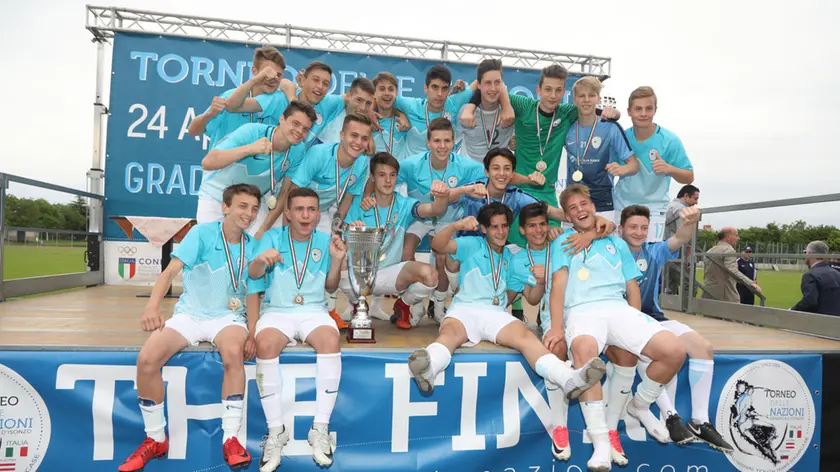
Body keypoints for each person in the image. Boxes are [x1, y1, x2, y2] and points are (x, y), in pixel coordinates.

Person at [118, 184, 263, 472]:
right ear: (225, 207)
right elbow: (170, 272)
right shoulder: (201, 234)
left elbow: (252, 294)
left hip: (227, 318)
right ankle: (156, 438)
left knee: (233, 355)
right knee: (147, 360)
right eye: (242, 206)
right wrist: (152, 307)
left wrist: (252, 331)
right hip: (191, 314)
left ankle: (231, 438)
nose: (248, 213)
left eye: (254, 208)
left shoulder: (253, 245)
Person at [408, 202, 606, 409]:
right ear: (483, 229)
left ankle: (567, 379)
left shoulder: (512, 257)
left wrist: (540, 281)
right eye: (494, 227)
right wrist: (456, 225)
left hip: (495, 313)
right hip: (464, 309)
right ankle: (429, 368)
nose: (501, 232)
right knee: (449, 336)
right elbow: (438, 246)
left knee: (526, 338)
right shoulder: (472, 244)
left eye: (504, 226)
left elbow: (529, 297)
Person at [548, 184, 688, 471]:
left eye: (583, 204)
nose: (580, 210)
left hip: (618, 309)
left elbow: (631, 286)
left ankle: (640, 405)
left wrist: (633, 326)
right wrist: (557, 327)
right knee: (585, 354)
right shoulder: (562, 241)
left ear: (592, 204)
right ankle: (600, 442)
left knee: (674, 351)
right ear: (567, 215)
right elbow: (559, 286)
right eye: (572, 208)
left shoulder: (615, 240)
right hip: (582, 311)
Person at [396, 118, 542, 321]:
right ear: (428, 143)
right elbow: (386, 175)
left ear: (454, 142)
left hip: (448, 218)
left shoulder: (466, 165)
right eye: (437, 141)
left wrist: (528, 180)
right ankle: (410, 301)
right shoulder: (410, 164)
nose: (442, 146)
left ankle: (439, 306)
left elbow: (499, 174)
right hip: (422, 215)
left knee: (442, 257)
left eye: (447, 141)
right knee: (405, 251)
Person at [460, 64, 619, 248]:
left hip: (547, 194)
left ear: (564, 92)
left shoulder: (567, 113)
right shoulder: (523, 105)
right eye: (548, 89)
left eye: (558, 90)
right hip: (517, 191)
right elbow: (492, 90)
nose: (553, 95)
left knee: (550, 246)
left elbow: (591, 110)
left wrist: (613, 112)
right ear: (538, 90)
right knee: (509, 247)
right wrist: (470, 107)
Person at [506, 202, 615, 462]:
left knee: (620, 353)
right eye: (532, 226)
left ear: (550, 225)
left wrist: (593, 231)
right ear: (522, 230)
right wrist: (540, 280)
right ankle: (560, 427)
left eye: (543, 224)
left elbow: (603, 225)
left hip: (587, 312)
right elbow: (531, 299)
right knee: (554, 350)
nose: (539, 230)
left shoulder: (563, 239)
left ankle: (610, 428)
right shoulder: (518, 259)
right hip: (552, 318)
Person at [619, 204, 734, 452]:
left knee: (704, 348)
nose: (638, 232)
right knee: (652, 351)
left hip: (654, 318)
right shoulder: (612, 253)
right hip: (626, 323)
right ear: (621, 229)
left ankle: (700, 421)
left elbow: (681, 237)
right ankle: (670, 415)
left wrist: (691, 220)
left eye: (643, 228)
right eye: (633, 227)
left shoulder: (653, 251)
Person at [247, 188, 347, 469]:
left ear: (318, 214)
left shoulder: (326, 241)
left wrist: (337, 261)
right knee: (265, 345)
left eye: (312, 210)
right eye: (299, 210)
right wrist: (258, 260)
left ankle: (320, 428)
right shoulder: (271, 238)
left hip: (313, 310)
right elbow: (253, 277)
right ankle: (276, 430)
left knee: (330, 339)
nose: (306, 215)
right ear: (288, 214)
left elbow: (330, 286)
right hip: (277, 311)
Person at [276, 112, 374, 328]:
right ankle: (274, 302)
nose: (358, 143)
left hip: (324, 211)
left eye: (364, 138)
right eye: (353, 136)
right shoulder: (319, 155)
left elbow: (348, 197)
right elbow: (292, 192)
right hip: (295, 207)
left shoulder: (362, 163)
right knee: (285, 254)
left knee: (330, 252)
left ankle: (326, 308)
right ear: (341, 135)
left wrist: (338, 228)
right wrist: (286, 232)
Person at [342, 152, 450, 325]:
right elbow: (344, 242)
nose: (388, 181)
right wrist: (353, 232)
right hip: (361, 275)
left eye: (392, 175)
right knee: (337, 262)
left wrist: (442, 197)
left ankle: (404, 304)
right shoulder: (359, 204)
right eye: (382, 175)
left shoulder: (405, 204)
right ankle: (357, 305)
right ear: (372, 178)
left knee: (430, 275)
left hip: (392, 274)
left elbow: (433, 210)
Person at [196, 101, 317, 236]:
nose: (299, 131)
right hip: (216, 198)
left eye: (305, 129)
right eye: (296, 124)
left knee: (259, 250)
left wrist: (263, 230)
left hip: (252, 206)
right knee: (212, 248)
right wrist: (250, 149)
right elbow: (207, 162)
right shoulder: (252, 131)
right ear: (282, 119)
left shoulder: (298, 150)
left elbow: (284, 194)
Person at [614, 86, 695, 242]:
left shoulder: (670, 140)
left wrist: (669, 168)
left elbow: (689, 177)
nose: (643, 113)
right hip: (622, 208)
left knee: (648, 262)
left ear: (655, 110)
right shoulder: (621, 137)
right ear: (629, 111)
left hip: (654, 210)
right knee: (620, 260)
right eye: (638, 109)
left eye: (648, 108)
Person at [188, 46, 294, 149]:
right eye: (266, 73)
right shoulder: (230, 96)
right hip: (223, 165)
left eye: (278, 75)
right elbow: (193, 131)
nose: (272, 79)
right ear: (254, 71)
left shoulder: (280, 100)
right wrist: (208, 115)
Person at [564, 76, 638, 222]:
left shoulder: (611, 128)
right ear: (574, 99)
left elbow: (634, 165)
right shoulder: (567, 127)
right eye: (581, 96)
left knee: (602, 244)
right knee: (575, 244)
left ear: (598, 99)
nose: (586, 100)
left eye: (591, 95)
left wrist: (623, 169)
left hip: (602, 201)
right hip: (574, 202)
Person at [394, 65, 478, 156]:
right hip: (414, 169)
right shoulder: (411, 106)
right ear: (426, 88)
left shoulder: (453, 103)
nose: (439, 94)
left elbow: (480, 82)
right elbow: (381, 97)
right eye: (435, 87)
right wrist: (398, 113)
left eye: (444, 89)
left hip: (445, 168)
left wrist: (470, 108)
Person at [459, 59, 515, 163]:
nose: (493, 88)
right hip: (470, 176)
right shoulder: (465, 111)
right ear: (478, 85)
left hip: (498, 176)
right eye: (488, 83)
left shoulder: (512, 111)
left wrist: (515, 141)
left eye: (497, 82)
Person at [703, 227, 761, 303]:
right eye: (736, 235)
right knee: (733, 313)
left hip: (709, 291)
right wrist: (751, 283)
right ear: (728, 237)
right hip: (725, 293)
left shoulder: (709, 251)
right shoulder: (729, 250)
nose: (738, 238)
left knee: (709, 314)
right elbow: (732, 270)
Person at [316, 77, 376, 144]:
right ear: (348, 96)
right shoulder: (330, 118)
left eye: (368, 103)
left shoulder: (371, 127)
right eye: (359, 100)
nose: (363, 108)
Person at [664, 184, 700, 295]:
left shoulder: (667, 206)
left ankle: (670, 309)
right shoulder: (682, 209)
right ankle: (687, 310)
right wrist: (689, 252)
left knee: (669, 285)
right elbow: (685, 234)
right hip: (677, 251)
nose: (697, 202)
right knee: (690, 285)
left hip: (665, 248)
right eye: (695, 198)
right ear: (686, 196)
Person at [791, 240, 840, 315]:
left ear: (809, 254)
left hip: (820, 322)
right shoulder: (837, 274)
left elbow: (810, 302)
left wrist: (792, 310)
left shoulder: (810, 275)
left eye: (805, 252)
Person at [371, 72, 409, 160]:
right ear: (374, 93)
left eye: (391, 89)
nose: (387, 93)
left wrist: (401, 114)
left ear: (396, 92)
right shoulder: (368, 122)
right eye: (382, 89)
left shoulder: (405, 122)